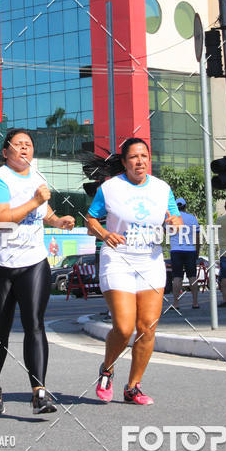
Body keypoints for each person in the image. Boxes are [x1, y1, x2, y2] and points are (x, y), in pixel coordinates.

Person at [0, 128, 75, 415]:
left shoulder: (37, 178)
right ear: (5, 152)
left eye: (29, 145)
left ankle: (39, 393)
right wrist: (34, 201)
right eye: (17, 144)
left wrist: (57, 221)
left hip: (33, 261)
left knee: (34, 323)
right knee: (0, 330)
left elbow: (43, 213)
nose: (24, 149)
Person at [86, 137, 181, 405]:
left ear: (149, 159)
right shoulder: (110, 188)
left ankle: (133, 386)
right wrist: (104, 233)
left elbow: (174, 219)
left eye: (143, 156)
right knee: (125, 327)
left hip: (150, 259)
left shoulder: (162, 188)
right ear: (125, 163)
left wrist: (174, 222)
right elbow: (90, 219)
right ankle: (107, 368)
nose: (139, 161)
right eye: (133, 158)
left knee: (147, 327)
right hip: (118, 259)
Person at [170, 197, 201, 310]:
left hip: (176, 250)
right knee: (192, 276)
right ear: (185, 207)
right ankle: (195, 302)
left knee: (177, 277)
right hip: (190, 250)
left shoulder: (171, 219)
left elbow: (164, 231)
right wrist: (197, 251)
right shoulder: (192, 218)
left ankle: (176, 303)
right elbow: (197, 237)